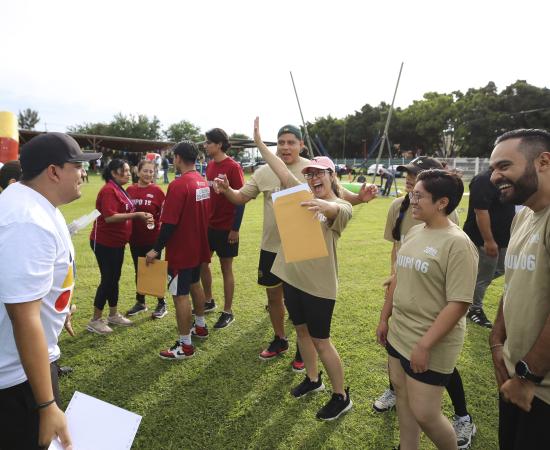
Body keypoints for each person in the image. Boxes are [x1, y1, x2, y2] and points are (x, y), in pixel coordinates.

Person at [217, 117, 377, 419]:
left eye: (320, 175)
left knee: (321, 341)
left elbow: (337, 209)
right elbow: (279, 169)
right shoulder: (302, 192)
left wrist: (324, 206)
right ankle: (313, 380)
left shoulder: (339, 207)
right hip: (292, 276)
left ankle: (341, 396)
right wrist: (261, 144)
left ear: (331, 176)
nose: (314, 179)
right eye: (310, 175)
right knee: (302, 332)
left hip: (319, 286)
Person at [0, 132, 100, 449]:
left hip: (25, 367)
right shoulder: (26, 221)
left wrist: (57, 308)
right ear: (54, 171)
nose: (84, 173)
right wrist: (45, 405)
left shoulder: (33, 204)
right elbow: (23, 317)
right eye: (77, 166)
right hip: (19, 379)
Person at [374, 157, 475, 449]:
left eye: (419, 195)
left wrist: (424, 345)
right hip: (399, 332)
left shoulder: (458, 244)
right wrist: (384, 318)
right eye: (412, 192)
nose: (411, 199)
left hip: (430, 341)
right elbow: (397, 279)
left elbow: (459, 303)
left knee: (426, 414)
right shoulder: (416, 231)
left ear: (442, 202)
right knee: (404, 400)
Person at [488, 129, 550, 450]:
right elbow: (513, 283)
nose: (495, 176)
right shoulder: (522, 215)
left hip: (539, 389)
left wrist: (528, 377)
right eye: (493, 169)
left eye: (504, 166)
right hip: (516, 378)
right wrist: (497, 339)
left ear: (543, 161)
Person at [146, 141, 211, 360]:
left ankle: (185, 346)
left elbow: (169, 224)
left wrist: (156, 249)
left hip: (182, 251)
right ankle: (200, 326)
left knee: (180, 296)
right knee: (195, 284)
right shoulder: (202, 182)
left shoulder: (179, 185)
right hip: (199, 246)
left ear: (178, 159)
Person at [87, 159, 154, 334]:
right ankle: (95, 319)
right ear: (114, 173)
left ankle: (113, 314)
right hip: (104, 242)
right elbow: (109, 217)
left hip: (117, 242)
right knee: (108, 278)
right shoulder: (109, 190)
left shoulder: (118, 188)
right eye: (124, 171)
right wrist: (137, 215)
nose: (128, 173)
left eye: (127, 170)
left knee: (114, 278)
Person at [200, 128, 245, 329]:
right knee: (202, 263)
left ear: (219, 145)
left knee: (226, 268)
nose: (205, 145)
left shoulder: (233, 167)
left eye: (208, 142)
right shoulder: (209, 165)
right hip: (208, 225)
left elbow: (241, 200)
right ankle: (208, 300)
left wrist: (235, 228)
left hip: (227, 228)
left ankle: (227, 311)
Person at [463, 168, 515, 328]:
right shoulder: (483, 179)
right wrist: (489, 240)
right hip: (484, 239)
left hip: (503, 239)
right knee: (484, 277)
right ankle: (474, 310)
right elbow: (480, 211)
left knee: (503, 268)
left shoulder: (508, 178)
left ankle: (464, 288)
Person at [126, 159, 167, 319]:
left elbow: (163, 217)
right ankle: (140, 302)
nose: (148, 174)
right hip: (135, 238)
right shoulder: (129, 190)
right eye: (145, 171)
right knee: (139, 270)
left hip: (153, 239)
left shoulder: (158, 191)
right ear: (138, 171)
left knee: (155, 270)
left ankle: (162, 303)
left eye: (151, 171)